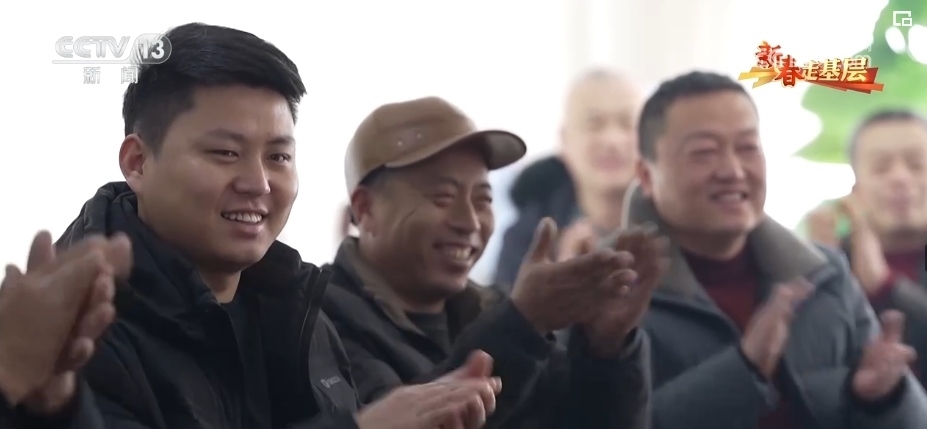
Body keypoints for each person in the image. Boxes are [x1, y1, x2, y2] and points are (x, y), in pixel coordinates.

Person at [0, 23, 500, 429]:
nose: (258, 183)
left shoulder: (301, 311)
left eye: (278, 156)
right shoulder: (81, 328)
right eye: (225, 153)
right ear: (138, 162)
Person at [321, 96, 663, 429]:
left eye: (482, 199)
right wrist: (523, 323)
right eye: (443, 197)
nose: (469, 221)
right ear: (366, 209)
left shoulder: (489, 307)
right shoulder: (318, 321)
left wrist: (607, 346)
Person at [627, 71, 927, 429]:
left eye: (747, 148)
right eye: (704, 152)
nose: (733, 170)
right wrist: (743, 369)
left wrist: (880, 398)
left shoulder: (822, 274)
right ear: (646, 175)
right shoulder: (616, 294)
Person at [494, 69, 643, 289]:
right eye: (594, 125)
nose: (612, 140)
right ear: (564, 141)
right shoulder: (529, 238)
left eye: (627, 123)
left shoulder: (679, 224)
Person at [821, 110, 927, 383]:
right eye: (881, 168)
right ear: (855, 189)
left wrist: (886, 285)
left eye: (916, 165)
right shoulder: (833, 262)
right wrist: (821, 279)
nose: (900, 178)